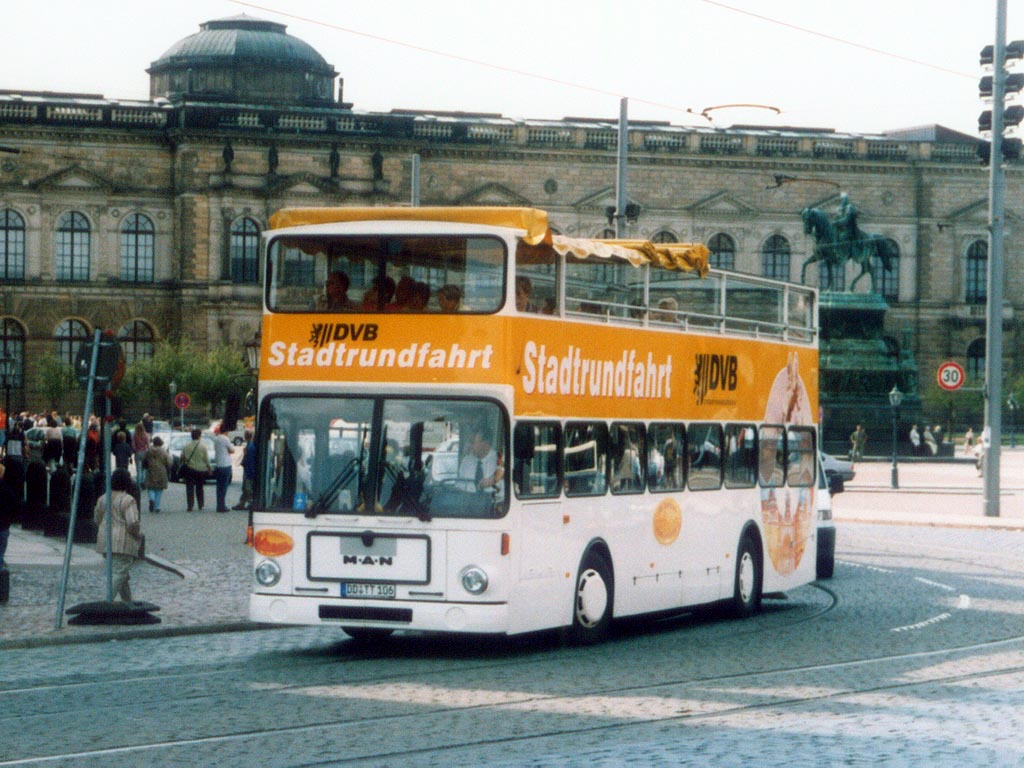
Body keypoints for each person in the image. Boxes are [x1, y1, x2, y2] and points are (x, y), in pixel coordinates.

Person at [93, 468, 142, 602]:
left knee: (121, 573)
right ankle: (107, 601)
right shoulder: (128, 500)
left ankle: (128, 601)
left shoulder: (103, 498)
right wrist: (137, 534)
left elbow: (97, 518)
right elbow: (132, 522)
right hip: (122, 542)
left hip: (105, 541)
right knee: (120, 572)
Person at [457, 427, 501, 491]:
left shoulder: (499, 460)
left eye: (473, 442)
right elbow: (460, 488)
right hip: (469, 497)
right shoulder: (466, 461)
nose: (470, 446)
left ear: (486, 443)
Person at [181, 428, 212, 512]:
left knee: (189, 488)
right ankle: (200, 504)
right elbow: (206, 459)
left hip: (189, 469)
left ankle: (190, 505)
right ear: (199, 436)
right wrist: (209, 469)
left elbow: (182, 457)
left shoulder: (186, 446)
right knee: (200, 487)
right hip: (201, 470)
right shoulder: (203, 447)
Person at [142, 435, 171, 514]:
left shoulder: (148, 451)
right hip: (161, 471)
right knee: (159, 489)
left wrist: (145, 466)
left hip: (150, 470)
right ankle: (157, 506)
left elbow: (144, 460)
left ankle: (152, 499)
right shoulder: (163, 451)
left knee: (150, 487)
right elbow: (169, 462)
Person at [211, 425, 235, 512]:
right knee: (224, 486)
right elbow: (232, 450)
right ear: (226, 431)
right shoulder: (225, 439)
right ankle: (222, 506)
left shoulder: (216, 439)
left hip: (218, 464)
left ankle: (219, 504)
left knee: (219, 486)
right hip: (225, 464)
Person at [233, 429, 256, 510]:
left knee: (247, 488)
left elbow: (249, 460)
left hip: (249, 471)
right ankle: (242, 503)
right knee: (245, 488)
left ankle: (249, 503)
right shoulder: (250, 445)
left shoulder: (250, 447)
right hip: (249, 470)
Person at [132, 421, 150, 487]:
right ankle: (143, 481)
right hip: (144, 452)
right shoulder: (145, 435)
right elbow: (148, 445)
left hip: (138, 452)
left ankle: (138, 483)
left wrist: (135, 450)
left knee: (138, 469)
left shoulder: (135, 435)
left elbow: (133, 445)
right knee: (144, 468)